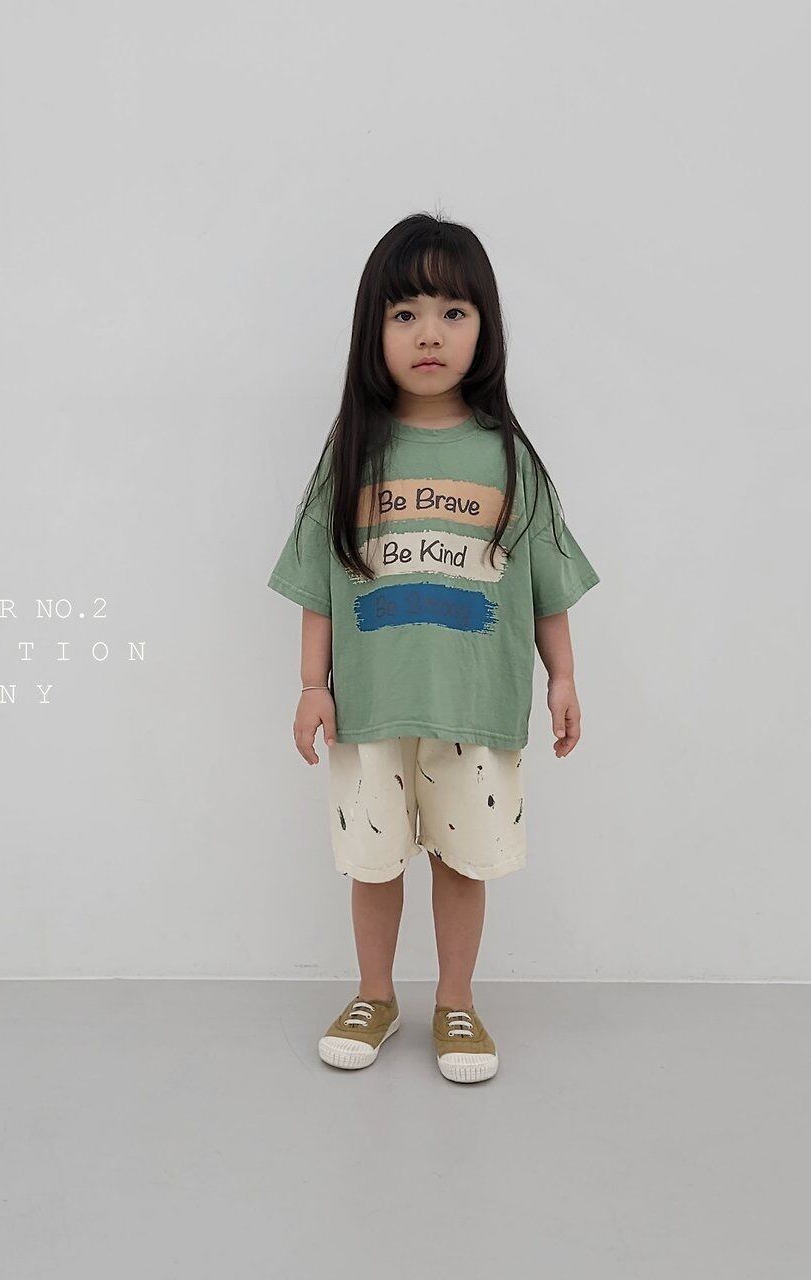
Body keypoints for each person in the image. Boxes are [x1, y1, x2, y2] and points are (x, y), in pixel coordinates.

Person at [267, 213, 600, 1083]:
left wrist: (564, 676)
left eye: (453, 312)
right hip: (371, 706)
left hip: (474, 708)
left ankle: (457, 1002)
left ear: (484, 328)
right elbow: (318, 582)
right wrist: (311, 685)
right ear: (373, 331)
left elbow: (545, 584)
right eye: (405, 312)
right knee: (373, 865)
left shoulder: (508, 459)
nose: (429, 334)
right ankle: (374, 995)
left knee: (462, 861)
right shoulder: (352, 456)